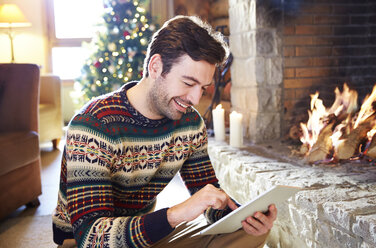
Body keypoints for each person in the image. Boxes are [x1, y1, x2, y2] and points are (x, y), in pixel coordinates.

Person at [52, 15, 277, 248]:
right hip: (85, 242)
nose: (195, 98)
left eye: (203, 88)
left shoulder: (190, 124)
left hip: (143, 235)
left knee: (248, 233)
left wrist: (245, 217)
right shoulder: (93, 125)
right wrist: (177, 214)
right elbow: (91, 237)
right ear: (156, 66)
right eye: (188, 83)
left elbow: (208, 196)